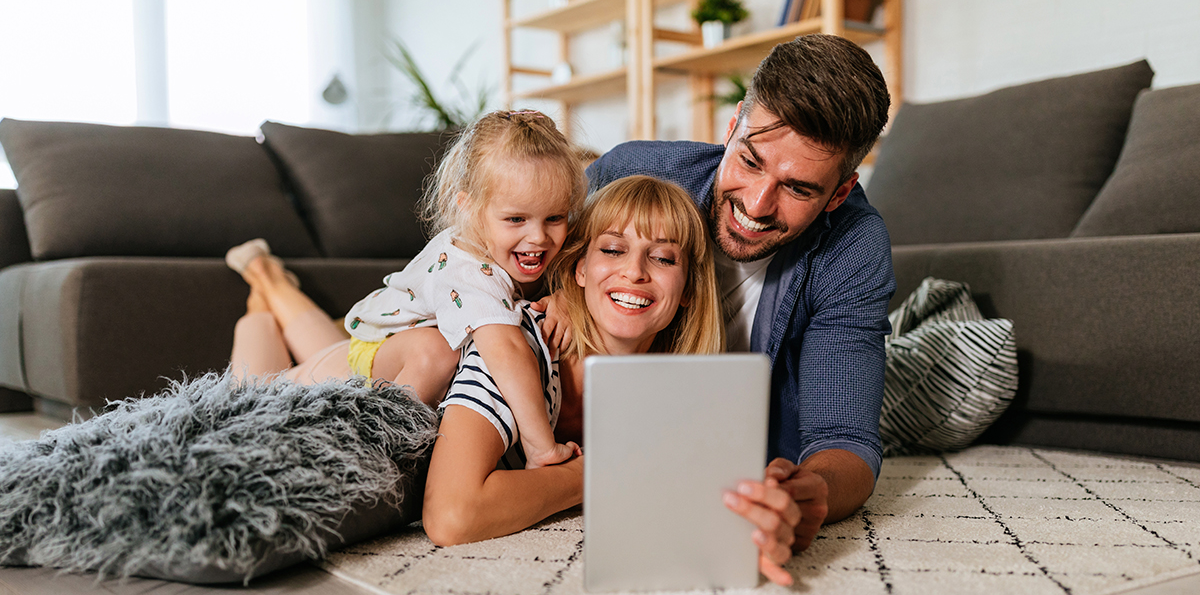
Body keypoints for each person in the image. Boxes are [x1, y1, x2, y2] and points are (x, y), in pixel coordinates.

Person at [547, 33, 896, 586]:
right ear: (733, 125)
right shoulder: (631, 176)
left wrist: (809, 495)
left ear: (839, 192)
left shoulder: (854, 246)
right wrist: (560, 291)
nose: (756, 205)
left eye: (798, 189)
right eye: (751, 161)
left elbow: (845, 439)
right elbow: (510, 261)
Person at [228, 109, 585, 469]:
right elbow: (507, 349)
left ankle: (268, 278)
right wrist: (542, 447)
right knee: (258, 392)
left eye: (555, 217)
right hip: (363, 367)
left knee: (352, 350)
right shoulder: (468, 270)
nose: (539, 237)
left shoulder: (524, 248)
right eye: (516, 219)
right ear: (469, 209)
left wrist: (567, 298)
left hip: (368, 346)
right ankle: (261, 284)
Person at [420, 174, 724, 545]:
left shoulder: (680, 400)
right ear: (580, 268)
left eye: (662, 257)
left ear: (689, 288)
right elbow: (452, 516)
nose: (634, 272)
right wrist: (601, 469)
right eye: (613, 250)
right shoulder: (518, 346)